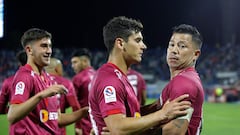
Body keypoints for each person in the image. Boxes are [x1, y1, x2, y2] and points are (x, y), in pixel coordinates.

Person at [88, 16, 191, 135]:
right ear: (120, 43)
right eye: (137, 40)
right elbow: (118, 127)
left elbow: (131, 114)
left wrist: (158, 105)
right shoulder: (110, 80)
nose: (143, 46)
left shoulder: (119, 76)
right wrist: (162, 114)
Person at [7, 28, 88, 135]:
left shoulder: (47, 78)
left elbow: (57, 119)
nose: (49, 51)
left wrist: (86, 111)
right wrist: (41, 95)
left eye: (50, 46)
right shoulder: (25, 76)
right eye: (44, 46)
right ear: (29, 50)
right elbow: (12, 115)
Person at [159, 24, 204, 135]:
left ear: (196, 54)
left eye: (182, 46)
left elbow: (174, 131)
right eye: (171, 44)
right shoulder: (183, 79)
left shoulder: (184, 82)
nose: (174, 50)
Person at [45, 57, 81, 135]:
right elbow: (74, 106)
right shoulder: (65, 83)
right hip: (58, 129)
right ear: (57, 68)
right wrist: (78, 126)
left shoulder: (38, 80)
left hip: (39, 128)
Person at [71, 48, 96, 135]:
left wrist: (77, 126)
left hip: (85, 125)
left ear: (85, 61)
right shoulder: (99, 75)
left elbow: (74, 104)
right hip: (99, 124)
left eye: (75, 62)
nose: (72, 66)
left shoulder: (78, 78)